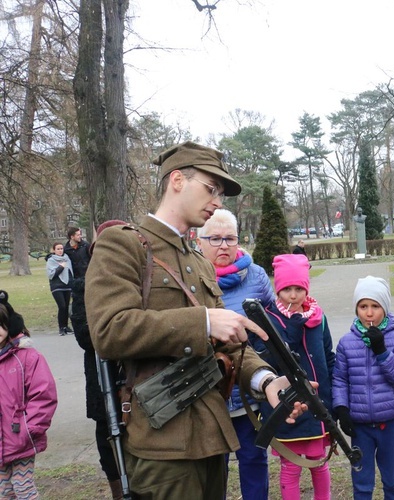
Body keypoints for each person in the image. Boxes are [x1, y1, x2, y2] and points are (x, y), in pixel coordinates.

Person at [85, 141, 308, 499]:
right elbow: (110, 330)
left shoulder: (199, 261)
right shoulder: (121, 245)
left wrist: (266, 381)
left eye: (220, 193)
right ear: (177, 180)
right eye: (211, 188)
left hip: (210, 437)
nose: (218, 201)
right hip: (162, 445)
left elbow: (230, 341)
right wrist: (202, 322)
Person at [197, 208, 274, 500]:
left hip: (245, 388)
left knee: (253, 457)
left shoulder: (255, 276)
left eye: (230, 238)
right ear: (199, 240)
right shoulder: (189, 278)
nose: (223, 245)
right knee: (213, 465)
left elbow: (271, 322)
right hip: (207, 391)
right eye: (214, 238)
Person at [254, 253, 335, 500]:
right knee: (291, 466)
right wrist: (291, 330)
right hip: (288, 407)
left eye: (298, 288)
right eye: (287, 288)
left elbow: (328, 356)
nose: (293, 295)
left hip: (318, 405)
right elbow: (263, 359)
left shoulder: (318, 318)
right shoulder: (268, 319)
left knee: (319, 462)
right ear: (277, 289)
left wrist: (334, 400)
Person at [332, 276, 394, 500]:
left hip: (389, 424)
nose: (369, 313)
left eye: (375, 306)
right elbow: (339, 379)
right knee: (362, 482)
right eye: (363, 306)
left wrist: (382, 351)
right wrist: (342, 408)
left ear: (384, 308)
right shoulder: (347, 342)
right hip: (360, 426)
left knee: (392, 480)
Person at [70, 220, 129, 499]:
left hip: (137, 377)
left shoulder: (138, 281)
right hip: (100, 376)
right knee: (107, 434)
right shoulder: (83, 287)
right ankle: (118, 490)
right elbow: (86, 336)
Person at [0, 301, 58, 499]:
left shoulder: (27, 358)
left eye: (1, 324)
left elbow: (44, 395)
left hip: (20, 438)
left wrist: (29, 428)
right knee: (4, 492)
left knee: (23, 488)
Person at [46, 241, 74, 336]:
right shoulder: (51, 260)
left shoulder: (67, 258)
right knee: (61, 306)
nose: (60, 250)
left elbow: (71, 272)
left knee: (66, 306)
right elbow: (51, 275)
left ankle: (66, 327)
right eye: (58, 249)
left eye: (61, 248)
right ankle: (61, 328)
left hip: (67, 286)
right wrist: (60, 267)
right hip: (57, 286)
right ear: (54, 250)